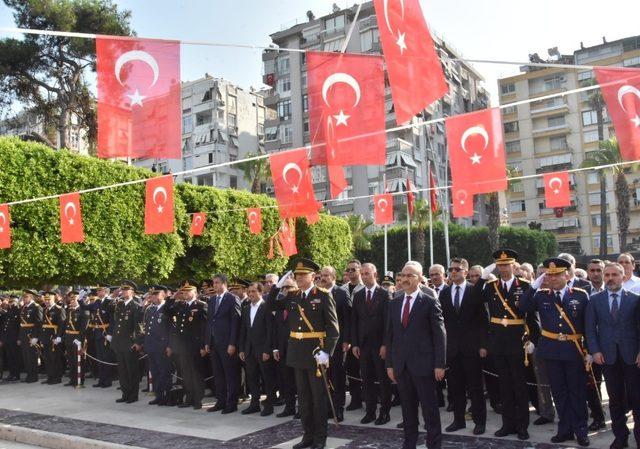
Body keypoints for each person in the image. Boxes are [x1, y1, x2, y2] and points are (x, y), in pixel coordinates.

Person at [266, 258, 339, 449]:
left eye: (302, 275)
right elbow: (270, 306)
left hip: (315, 354)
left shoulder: (322, 296)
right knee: (304, 398)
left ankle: (320, 439)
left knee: (318, 399)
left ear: (313, 276)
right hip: (297, 352)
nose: (298, 278)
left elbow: (333, 329)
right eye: (296, 275)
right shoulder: (292, 295)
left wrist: (327, 352)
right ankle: (307, 436)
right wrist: (277, 286)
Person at [520, 258, 590, 446]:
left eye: (557, 274)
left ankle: (581, 430)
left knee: (577, 392)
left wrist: (589, 350)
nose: (553, 278)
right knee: (559, 392)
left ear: (567, 274)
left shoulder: (581, 295)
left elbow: (589, 326)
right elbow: (523, 307)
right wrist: (534, 285)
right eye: (549, 275)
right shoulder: (541, 295)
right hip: (551, 351)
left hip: (573, 351)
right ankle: (564, 429)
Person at [474, 249, 540, 440]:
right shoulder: (491, 285)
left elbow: (532, 316)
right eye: (500, 265)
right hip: (498, 343)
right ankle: (507, 424)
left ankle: (522, 426)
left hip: (518, 342)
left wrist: (534, 341)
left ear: (514, 265)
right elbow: (474, 299)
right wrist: (482, 277)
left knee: (519, 386)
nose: (503, 268)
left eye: (507, 264)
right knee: (504, 386)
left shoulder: (525, 286)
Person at [386, 261, 445, 449]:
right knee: (408, 410)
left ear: (420, 278)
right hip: (402, 366)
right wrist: (390, 364)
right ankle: (409, 443)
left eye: (410, 275)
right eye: (403, 275)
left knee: (429, 410)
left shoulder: (429, 301)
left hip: (424, 366)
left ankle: (434, 444)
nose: (405, 279)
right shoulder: (394, 303)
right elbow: (390, 336)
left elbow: (439, 334)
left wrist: (440, 364)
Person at [586, 262, 640, 449]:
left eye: (614, 275)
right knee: (615, 400)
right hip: (607, 357)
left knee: (636, 398)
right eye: (607, 275)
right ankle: (620, 437)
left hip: (632, 357)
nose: (610, 278)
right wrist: (595, 350)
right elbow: (590, 328)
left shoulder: (635, 299)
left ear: (623, 276)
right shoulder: (595, 300)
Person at [440, 257, 488, 435]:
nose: (453, 272)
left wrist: (483, 345)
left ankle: (479, 422)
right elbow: (442, 323)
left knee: (475, 388)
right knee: (455, 387)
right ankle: (458, 420)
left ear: (465, 272)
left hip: (472, 348)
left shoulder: (474, 291)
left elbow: (483, 321)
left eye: (457, 269)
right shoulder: (444, 293)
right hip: (452, 349)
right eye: (451, 269)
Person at [350, 263, 392, 426]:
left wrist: (385, 344)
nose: (365, 276)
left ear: (376, 274)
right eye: (363, 273)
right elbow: (354, 321)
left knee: (383, 380)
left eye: (368, 273)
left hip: (379, 345)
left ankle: (385, 412)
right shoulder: (358, 295)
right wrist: (355, 343)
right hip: (363, 345)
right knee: (366, 379)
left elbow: (389, 322)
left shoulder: (384, 294)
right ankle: (370, 411)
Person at [164, 282, 207, 410]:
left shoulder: (200, 306)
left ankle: (197, 399)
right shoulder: (179, 305)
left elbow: (204, 328)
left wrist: (203, 346)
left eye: (188, 291)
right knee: (186, 374)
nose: (185, 294)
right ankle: (188, 398)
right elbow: (166, 312)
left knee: (196, 374)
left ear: (195, 293)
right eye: (183, 292)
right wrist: (173, 297)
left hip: (195, 346)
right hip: (182, 346)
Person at [317, 265, 351, 422]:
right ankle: (328, 407)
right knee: (324, 376)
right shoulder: (316, 292)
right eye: (321, 275)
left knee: (337, 376)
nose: (323, 278)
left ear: (333, 277)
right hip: (319, 342)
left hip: (336, 342)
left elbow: (347, 318)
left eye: (326, 275)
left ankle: (339, 408)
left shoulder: (341, 293)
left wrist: (346, 340)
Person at [205, 273, 241, 414]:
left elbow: (235, 323)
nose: (215, 285)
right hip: (214, 343)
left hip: (227, 343)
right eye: (214, 283)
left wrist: (232, 343)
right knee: (218, 375)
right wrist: (207, 341)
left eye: (218, 282)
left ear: (225, 283)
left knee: (230, 374)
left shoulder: (232, 299)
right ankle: (220, 401)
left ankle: (232, 403)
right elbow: (209, 322)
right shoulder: (213, 300)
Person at [239, 282, 276, 416]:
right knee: (252, 377)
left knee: (267, 378)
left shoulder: (266, 307)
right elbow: (243, 330)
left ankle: (269, 404)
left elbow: (270, 331)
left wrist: (267, 350)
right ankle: (254, 404)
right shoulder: (246, 308)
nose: (251, 294)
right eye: (249, 292)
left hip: (263, 349)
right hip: (249, 350)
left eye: (254, 291)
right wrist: (242, 349)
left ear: (260, 292)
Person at [107, 281, 143, 404]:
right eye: (122, 290)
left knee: (131, 370)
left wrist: (138, 342)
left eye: (126, 290)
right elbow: (107, 308)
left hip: (129, 343)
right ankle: (125, 393)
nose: (123, 292)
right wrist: (114, 297)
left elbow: (139, 327)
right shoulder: (119, 304)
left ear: (132, 292)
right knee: (122, 370)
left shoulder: (136, 306)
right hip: (119, 342)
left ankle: (133, 395)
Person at [271, 275, 298, 418]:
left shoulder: (299, 303)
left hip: (297, 349)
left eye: (289, 287)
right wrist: (275, 348)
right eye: (284, 287)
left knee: (299, 382)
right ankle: (289, 406)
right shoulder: (280, 306)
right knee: (286, 380)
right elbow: (276, 329)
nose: (285, 290)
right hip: (282, 349)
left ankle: (301, 409)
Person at [340, 259, 364, 411]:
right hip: (347, 335)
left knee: (368, 370)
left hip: (364, 334)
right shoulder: (342, 289)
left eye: (353, 270)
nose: (350, 273)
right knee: (352, 369)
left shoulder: (364, 288)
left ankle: (371, 398)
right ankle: (355, 399)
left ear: (359, 270)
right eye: (348, 270)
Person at [142, 285, 173, 406]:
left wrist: (170, 345)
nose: (153, 296)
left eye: (156, 294)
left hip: (163, 346)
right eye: (152, 294)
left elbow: (171, 330)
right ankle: (159, 395)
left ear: (164, 294)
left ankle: (167, 396)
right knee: (155, 372)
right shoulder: (151, 309)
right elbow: (147, 328)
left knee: (164, 372)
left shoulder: (168, 308)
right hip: (151, 345)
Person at [81, 284, 115, 388]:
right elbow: (85, 307)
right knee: (99, 357)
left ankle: (107, 381)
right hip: (97, 333)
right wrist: (81, 298)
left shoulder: (110, 302)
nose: (98, 292)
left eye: (100, 291)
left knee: (106, 358)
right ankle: (101, 380)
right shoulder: (97, 302)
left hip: (105, 333)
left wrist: (110, 333)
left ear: (105, 291)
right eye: (97, 291)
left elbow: (112, 320)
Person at [40, 291, 66, 385]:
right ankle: (50, 376)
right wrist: (41, 338)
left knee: (55, 358)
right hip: (46, 337)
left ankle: (57, 377)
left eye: (49, 299)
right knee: (47, 358)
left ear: (53, 299)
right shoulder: (44, 309)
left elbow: (62, 325)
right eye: (46, 299)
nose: (47, 301)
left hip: (54, 337)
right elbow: (43, 325)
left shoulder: (59, 309)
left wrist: (59, 337)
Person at [63, 291, 88, 386]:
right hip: (69, 338)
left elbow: (83, 328)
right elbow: (66, 325)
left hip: (77, 339)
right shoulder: (69, 311)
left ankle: (80, 380)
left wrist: (79, 339)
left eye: (74, 300)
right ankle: (72, 379)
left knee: (78, 360)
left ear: (78, 300)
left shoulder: (83, 311)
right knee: (71, 360)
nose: (72, 301)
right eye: (71, 300)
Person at [18, 289, 42, 383]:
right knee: (26, 357)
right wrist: (20, 337)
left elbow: (38, 323)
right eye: (24, 296)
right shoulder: (24, 307)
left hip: (31, 336)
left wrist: (36, 337)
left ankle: (33, 376)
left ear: (31, 297)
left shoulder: (36, 307)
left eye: (26, 296)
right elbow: (21, 324)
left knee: (32, 357)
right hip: (24, 335)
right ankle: (29, 375)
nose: (24, 298)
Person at [0, 296, 20, 381]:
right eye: (10, 302)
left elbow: (19, 327)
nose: (11, 303)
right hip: (7, 339)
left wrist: (19, 338)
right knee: (9, 357)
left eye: (13, 302)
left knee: (14, 357)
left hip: (14, 338)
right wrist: (3, 339)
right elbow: (5, 327)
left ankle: (16, 374)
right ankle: (12, 374)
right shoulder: (9, 311)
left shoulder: (18, 311)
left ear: (16, 302)